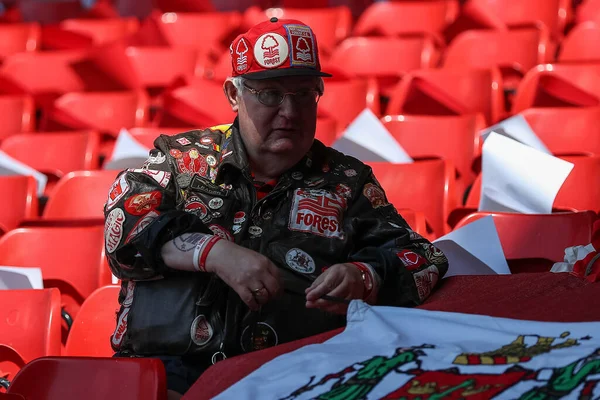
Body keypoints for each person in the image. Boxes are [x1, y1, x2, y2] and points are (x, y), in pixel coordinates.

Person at [104, 17, 449, 398]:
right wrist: (214, 253)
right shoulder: (182, 159)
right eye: (270, 94)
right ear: (234, 95)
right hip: (164, 376)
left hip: (293, 380)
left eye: (303, 94)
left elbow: (424, 257)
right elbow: (126, 226)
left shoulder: (346, 180)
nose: (290, 111)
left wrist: (365, 275)